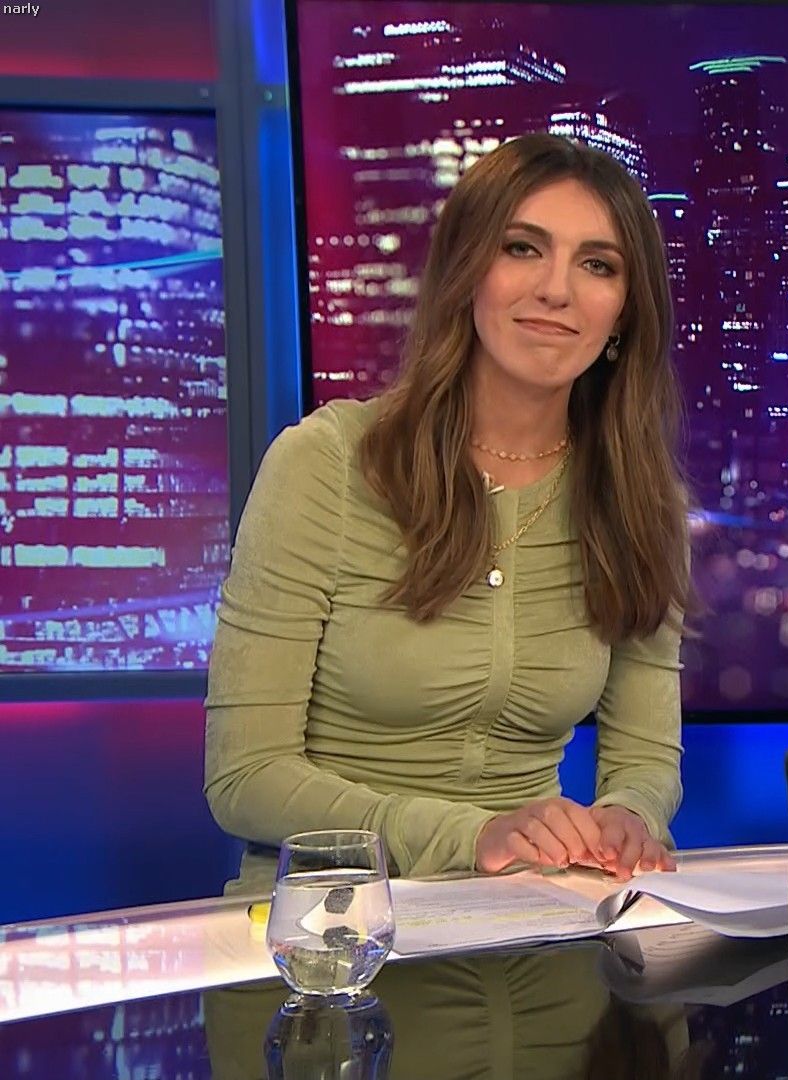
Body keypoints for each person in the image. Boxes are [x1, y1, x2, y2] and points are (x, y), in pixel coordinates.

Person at [204, 133, 693, 888]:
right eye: (523, 248)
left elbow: (645, 758)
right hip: (332, 924)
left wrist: (630, 816)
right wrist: (474, 837)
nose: (556, 289)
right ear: (467, 272)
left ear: (624, 314)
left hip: (530, 915)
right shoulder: (324, 464)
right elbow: (245, 776)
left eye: (597, 264)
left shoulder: (640, 501)